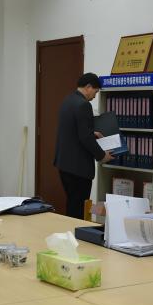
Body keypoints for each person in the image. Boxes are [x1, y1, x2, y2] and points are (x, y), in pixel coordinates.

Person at [53, 72, 112, 219]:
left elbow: (74, 130)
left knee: (72, 203)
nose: (95, 96)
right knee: (80, 207)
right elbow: (85, 138)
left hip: (64, 165)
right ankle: (77, 231)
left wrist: (92, 133)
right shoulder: (84, 105)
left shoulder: (68, 100)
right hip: (78, 169)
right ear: (88, 87)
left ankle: (70, 231)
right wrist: (102, 156)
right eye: (95, 92)